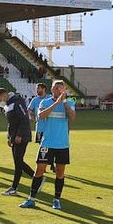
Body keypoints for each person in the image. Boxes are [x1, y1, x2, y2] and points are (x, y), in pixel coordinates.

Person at [20, 80, 75, 210]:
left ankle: (56, 200)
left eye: (62, 88)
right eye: (57, 88)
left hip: (62, 144)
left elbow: (72, 118)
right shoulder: (45, 102)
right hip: (47, 143)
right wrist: (57, 103)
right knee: (39, 170)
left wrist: (65, 102)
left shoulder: (70, 102)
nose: (60, 90)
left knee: (60, 173)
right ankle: (31, 199)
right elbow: (41, 115)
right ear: (52, 90)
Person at [0, 87, 35, 196]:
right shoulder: (8, 105)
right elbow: (10, 123)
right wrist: (9, 137)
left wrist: (19, 135)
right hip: (15, 136)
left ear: (4, 95)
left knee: (18, 162)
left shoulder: (17, 102)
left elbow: (24, 119)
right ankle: (36, 178)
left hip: (22, 136)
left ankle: (15, 187)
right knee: (18, 162)